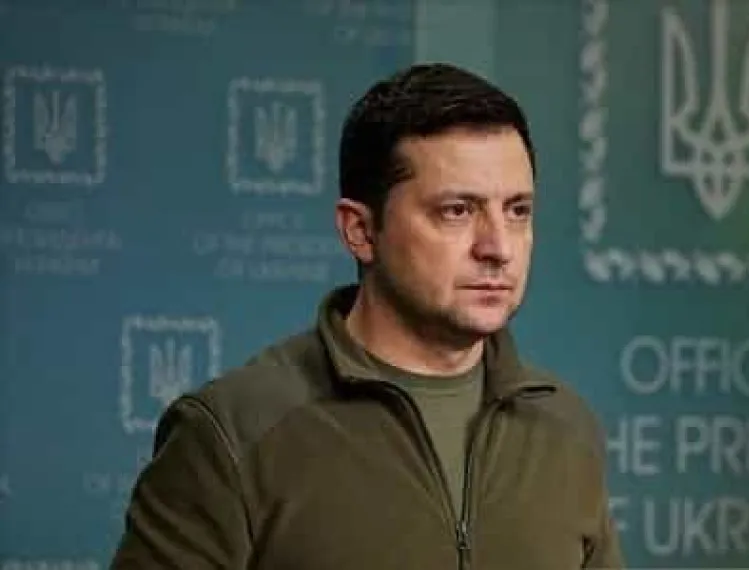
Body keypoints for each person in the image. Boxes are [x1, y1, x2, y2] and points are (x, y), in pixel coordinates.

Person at [110, 62, 624, 569]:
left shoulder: (565, 428)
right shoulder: (232, 433)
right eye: (457, 211)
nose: (498, 247)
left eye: (517, 211)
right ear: (359, 230)